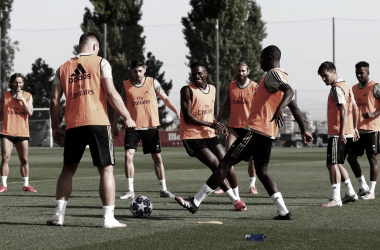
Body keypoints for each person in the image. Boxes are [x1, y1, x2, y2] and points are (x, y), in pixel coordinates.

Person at [175, 45, 312, 219]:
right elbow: (295, 107)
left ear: (270, 57)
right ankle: (284, 212)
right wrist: (303, 130)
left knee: (224, 164)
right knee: (262, 172)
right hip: (269, 134)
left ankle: (195, 202)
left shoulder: (273, 74)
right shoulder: (283, 76)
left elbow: (289, 92)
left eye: (262, 58)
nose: (260, 62)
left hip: (256, 131)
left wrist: (280, 108)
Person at [47, 32, 136, 228]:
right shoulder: (101, 62)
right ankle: (108, 218)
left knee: (68, 169)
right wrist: (127, 117)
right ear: (95, 47)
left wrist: (55, 127)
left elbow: (54, 100)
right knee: (106, 170)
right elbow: (111, 93)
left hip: (73, 124)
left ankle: (58, 215)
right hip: (98, 122)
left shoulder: (62, 67)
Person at [179, 61, 247, 211]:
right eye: (194, 73)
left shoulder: (212, 89)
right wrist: (211, 124)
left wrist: (217, 124)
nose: (197, 76)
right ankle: (235, 201)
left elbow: (208, 115)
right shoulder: (186, 90)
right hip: (192, 136)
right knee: (216, 165)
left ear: (206, 74)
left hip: (209, 134)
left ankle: (238, 199)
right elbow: (187, 116)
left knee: (227, 165)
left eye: (199, 73)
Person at [112, 59, 179, 200]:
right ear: (131, 71)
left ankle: (163, 189)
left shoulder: (153, 83)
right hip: (132, 127)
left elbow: (165, 98)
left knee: (157, 158)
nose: (138, 74)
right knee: (128, 155)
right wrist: (114, 124)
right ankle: (130, 190)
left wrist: (177, 112)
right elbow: (120, 105)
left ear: (145, 70)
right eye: (135, 71)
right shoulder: (125, 85)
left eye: (140, 71)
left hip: (150, 126)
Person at [317, 61, 359, 207]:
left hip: (337, 133)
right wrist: (354, 128)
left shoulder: (336, 88)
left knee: (332, 164)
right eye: (321, 76)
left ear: (333, 72)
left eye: (325, 75)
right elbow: (354, 107)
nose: (323, 79)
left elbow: (343, 109)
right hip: (346, 131)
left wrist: (341, 132)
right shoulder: (346, 86)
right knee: (338, 163)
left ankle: (336, 198)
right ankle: (351, 192)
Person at [216, 61, 259, 194]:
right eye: (239, 70)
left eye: (243, 71)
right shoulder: (231, 85)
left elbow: (261, 107)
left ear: (248, 72)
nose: (240, 73)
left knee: (252, 158)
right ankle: (227, 185)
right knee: (227, 157)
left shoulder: (254, 87)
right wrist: (217, 121)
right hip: (233, 127)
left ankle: (252, 185)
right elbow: (225, 105)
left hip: (249, 129)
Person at [347, 61, 379, 200]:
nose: (359, 75)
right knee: (351, 158)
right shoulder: (354, 88)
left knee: (372, 158)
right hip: (357, 131)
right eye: (357, 73)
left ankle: (371, 191)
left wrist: (373, 114)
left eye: (362, 73)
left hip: (372, 129)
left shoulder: (375, 87)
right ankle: (363, 186)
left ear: (368, 72)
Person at [0, 73, 36, 193]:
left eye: (20, 82)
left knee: (24, 159)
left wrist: (22, 100)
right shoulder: (4, 96)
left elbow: (30, 112)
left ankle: (26, 185)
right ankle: (3, 185)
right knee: (5, 158)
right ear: (11, 83)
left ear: (23, 84)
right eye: (15, 82)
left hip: (22, 132)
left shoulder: (28, 96)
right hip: (7, 131)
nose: (17, 84)